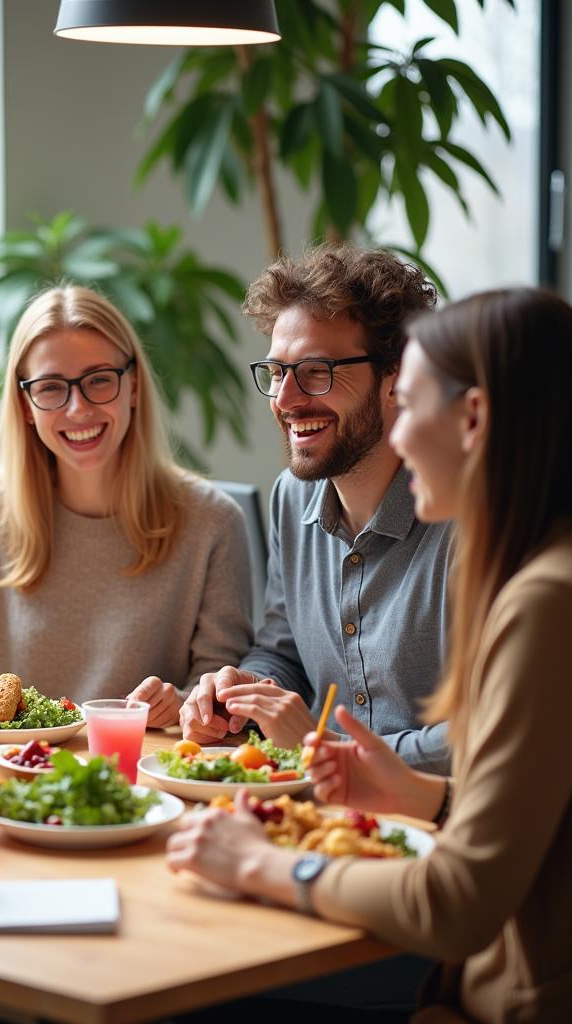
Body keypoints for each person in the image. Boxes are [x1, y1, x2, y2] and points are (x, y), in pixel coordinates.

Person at [166, 287, 572, 1024]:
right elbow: (524, 816)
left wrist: (264, 863)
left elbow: (457, 901)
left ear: (472, 418)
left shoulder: (543, 598)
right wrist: (404, 789)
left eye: (411, 405)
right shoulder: (537, 567)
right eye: (277, 373)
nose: (401, 433)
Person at [0, 285, 254, 726]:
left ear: (132, 385)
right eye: (51, 388)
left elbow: (223, 684)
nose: (78, 409)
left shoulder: (212, 521)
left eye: (98, 380)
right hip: (13, 774)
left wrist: (184, 702)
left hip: (143, 773)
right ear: (26, 405)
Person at [181, 244, 452, 773]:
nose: (285, 399)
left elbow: (491, 732)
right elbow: (282, 654)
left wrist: (329, 752)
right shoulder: (293, 495)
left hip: (438, 825)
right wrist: (243, 694)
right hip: (319, 810)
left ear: (396, 377)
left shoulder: (469, 517)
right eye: (278, 372)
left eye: (316, 371)